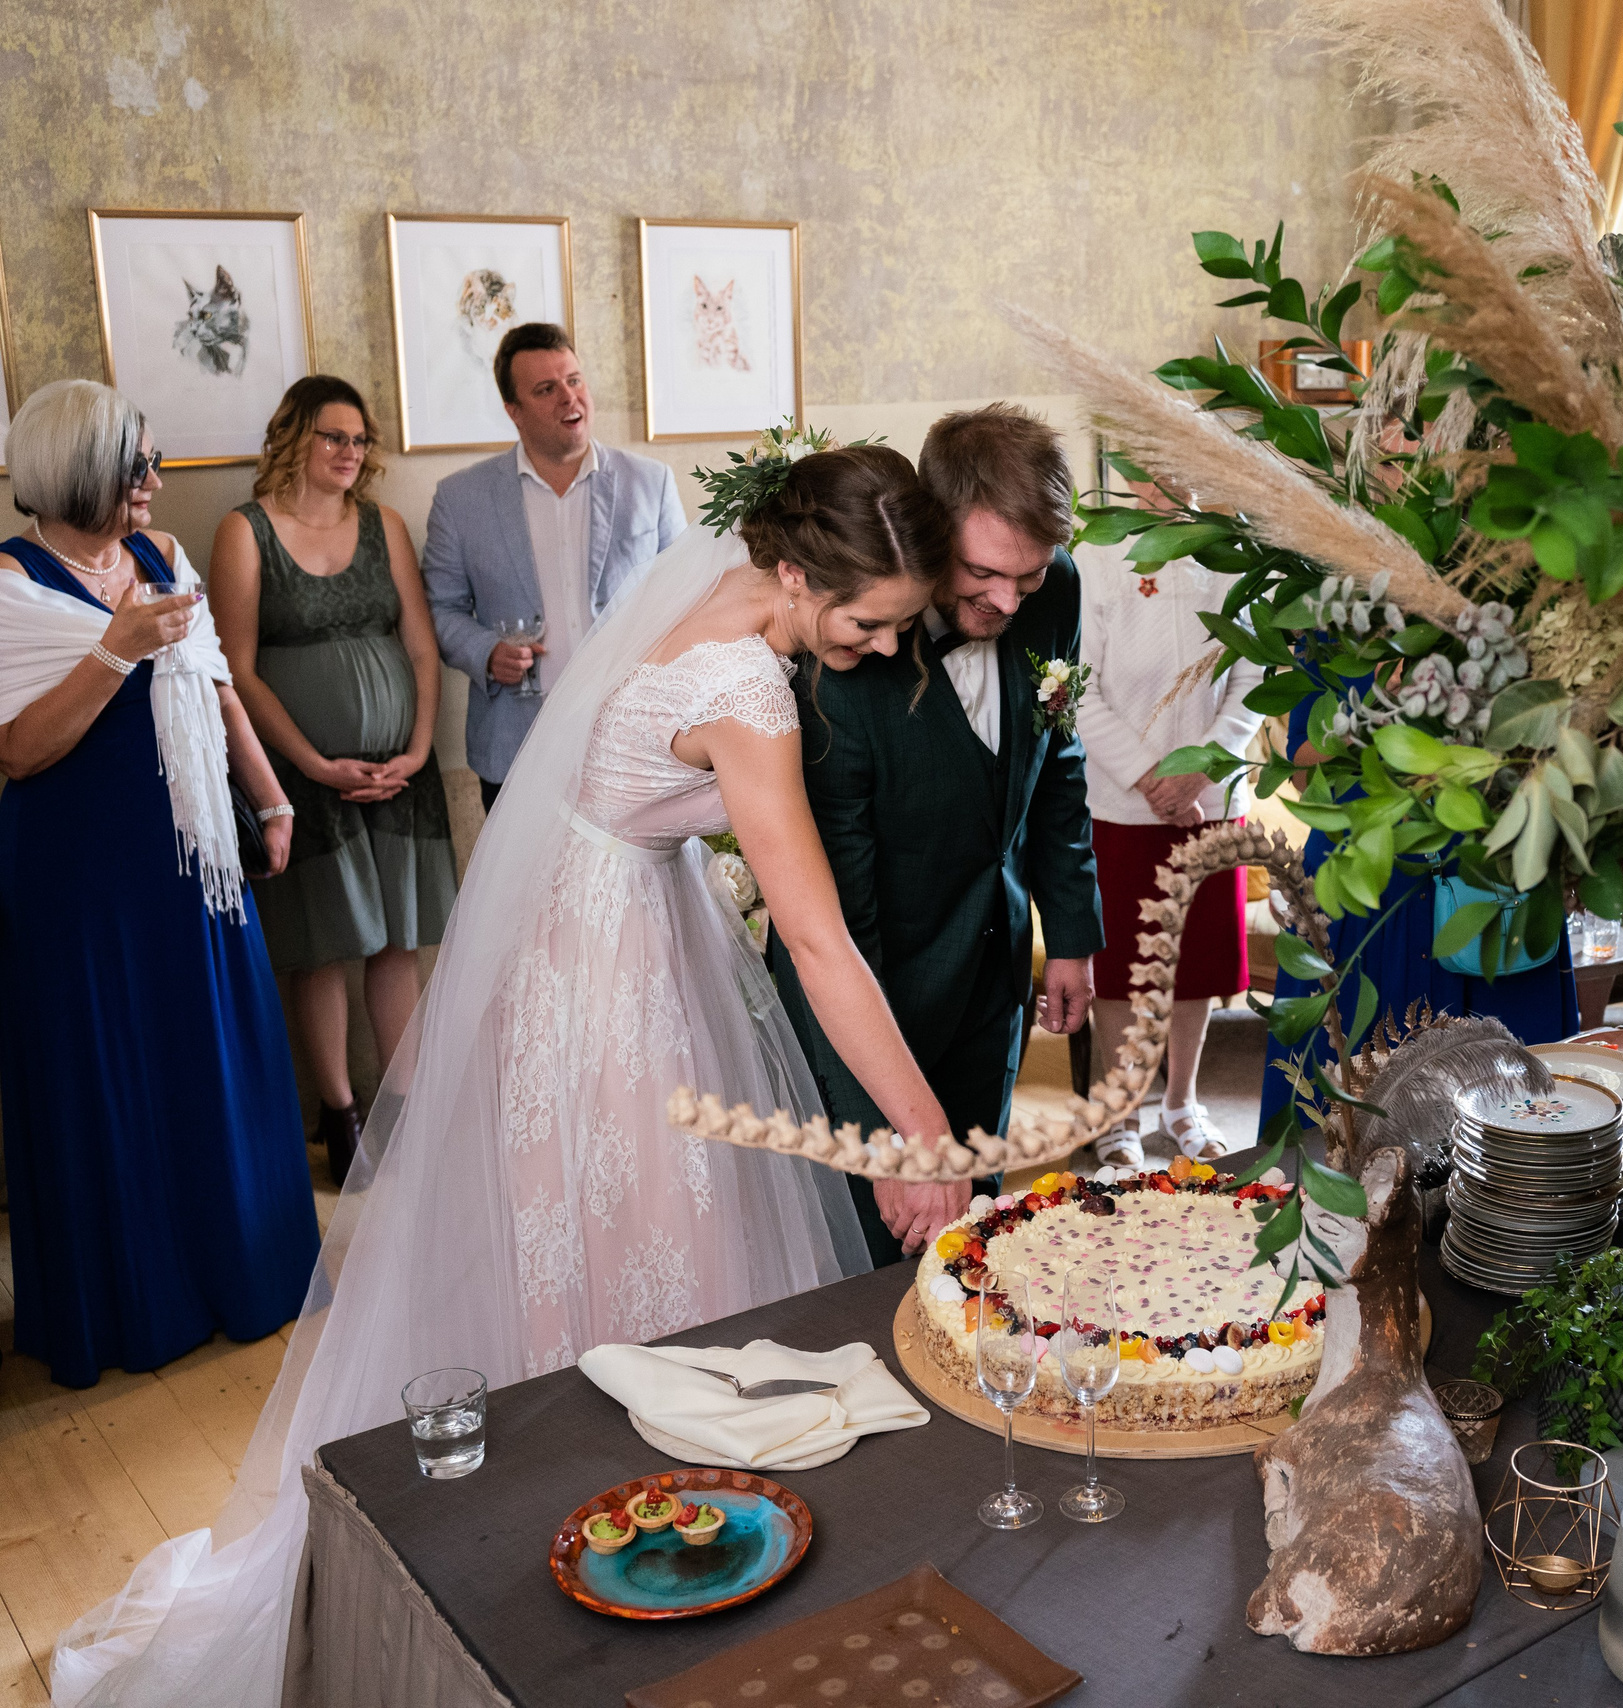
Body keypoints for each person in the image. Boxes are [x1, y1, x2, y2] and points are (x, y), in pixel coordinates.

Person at [49, 442, 961, 1706]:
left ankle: (586, 1571)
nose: (872, 648)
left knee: (576, 1274)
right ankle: (653, 1597)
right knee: (659, 1273)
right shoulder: (746, 688)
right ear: (797, 572)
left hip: (577, 951)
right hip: (620, 991)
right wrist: (922, 1132)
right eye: (867, 624)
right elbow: (815, 939)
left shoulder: (694, 602)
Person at [0, 379, 315, 1391]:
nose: (154, 480)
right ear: (78, 472)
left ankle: (247, 1274)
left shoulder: (163, 556)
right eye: (138, 464)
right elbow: (15, 752)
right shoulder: (8, 586)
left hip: (190, 858)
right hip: (78, 880)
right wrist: (111, 651)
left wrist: (268, 800)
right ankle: (143, 1302)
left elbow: (215, 684)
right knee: (112, 1073)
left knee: (210, 1056)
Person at [769, 403, 1104, 1266]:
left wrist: (1069, 931)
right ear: (930, 525)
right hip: (874, 1002)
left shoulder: (1053, 587)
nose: (1006, 599)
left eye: (1027, 579)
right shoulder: (847, 660)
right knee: (867, 1269)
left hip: (992, 983)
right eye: (984, 572)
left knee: (974, 1245)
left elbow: (1056, 759)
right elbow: (832, 929)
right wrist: (883, 1136)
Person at [207, 376, 457, 1183]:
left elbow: (420, 647)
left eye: (360, 439)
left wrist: (418, 749)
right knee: (321, 949)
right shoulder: (245, 533)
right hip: (300, 776)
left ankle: (409, 1109)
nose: (351, 452)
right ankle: (340, 1114)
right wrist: (311, 763)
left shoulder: (384, 526)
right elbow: (234, 669)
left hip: (399, 772)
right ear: (293, 438)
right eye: (333, 437)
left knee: (395, 943)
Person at [1257, 684, 1579, 1133]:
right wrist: (1378, 700)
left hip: (1491, 881)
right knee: (1340, 1134)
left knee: (1522, 1132)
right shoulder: (1329, 629)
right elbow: (1303, 774)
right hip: (1361, 886)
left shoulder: (1509, 620)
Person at [422, 321, 686, 809]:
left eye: (574, 380)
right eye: (546, 389)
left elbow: (685, 600)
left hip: (632, 737)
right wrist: (485, 651)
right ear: (513, 411)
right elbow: (438, 609)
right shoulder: (460, 499)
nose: (569, 398)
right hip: (515, 746)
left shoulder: (651, 483)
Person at [1075, 505, 1265, 1167]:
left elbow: (1253, 675)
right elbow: (1078, 687)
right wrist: (1148, 775)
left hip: (1210, 796)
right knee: (1122, 965)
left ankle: (1182, 1104)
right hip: (1121, 797)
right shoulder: (1098, 553)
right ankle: (1121, 1113)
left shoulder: (1238, 550)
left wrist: (1200, 770)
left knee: (1196, 963)